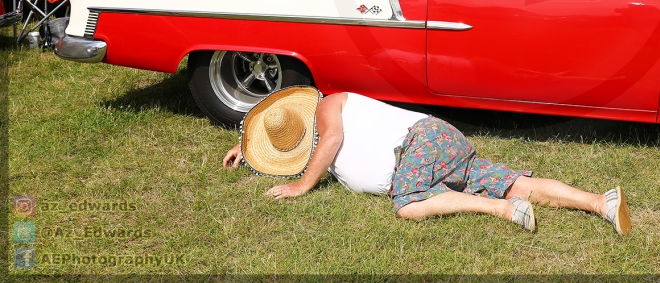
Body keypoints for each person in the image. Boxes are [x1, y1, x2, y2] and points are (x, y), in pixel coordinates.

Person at [222, 88, 632, 235]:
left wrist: (300, 185)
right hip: (438, 142)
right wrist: (252, 151)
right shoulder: (312, 146)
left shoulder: (328, 106)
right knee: (514, 180)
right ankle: (602, 202)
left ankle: (501, 209)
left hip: (417, 144)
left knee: (408, 205)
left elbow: (331, 138)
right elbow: (316, 149)